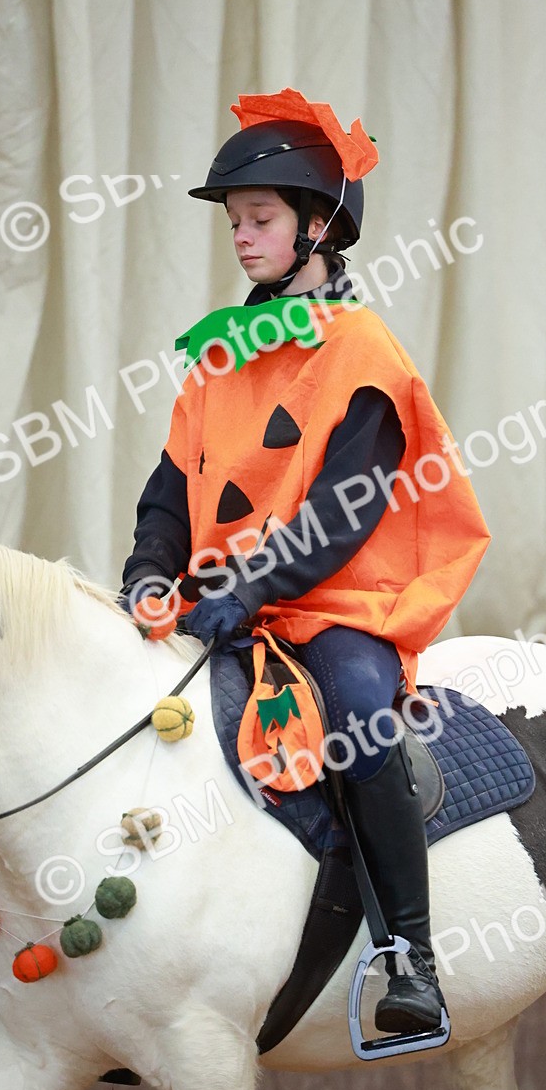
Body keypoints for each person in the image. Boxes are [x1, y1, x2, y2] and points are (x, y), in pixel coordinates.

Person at [121, 89, 491, 1034]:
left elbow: (343, 513)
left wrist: (250, 587)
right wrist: (149, 571)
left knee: (363, 721)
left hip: (332, 607)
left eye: (260, 220)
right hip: (221, 604)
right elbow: (174, 485)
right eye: (236, 223)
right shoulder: (219, 354)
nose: (241, 238)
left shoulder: (361, 350)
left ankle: (411, 958)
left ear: (316, 225)